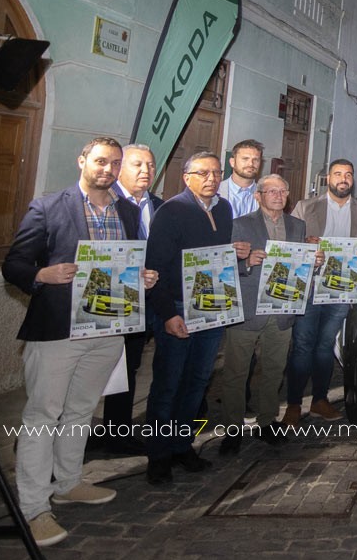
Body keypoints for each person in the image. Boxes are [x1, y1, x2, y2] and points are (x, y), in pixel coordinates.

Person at [3, 137, 157, 546]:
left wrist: (140, 278)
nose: (107, 168)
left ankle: (69, 483)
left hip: (108, 329)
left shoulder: (125, 209)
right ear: (83, 161)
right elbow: (14, 263)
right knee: (42, 415)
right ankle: (34, 508)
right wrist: (42, 275)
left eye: (114, 163)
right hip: (57, 330)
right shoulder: (49, 206)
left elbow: (127, 260)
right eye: (101, 161)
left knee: (81, 411)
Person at [144, 151, 235, 484]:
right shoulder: (172, 211)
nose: (211, 178)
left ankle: (182, 446)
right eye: (203, 173)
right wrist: (167, 313)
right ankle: (158, 455)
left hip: (211, 309)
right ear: (187, 177)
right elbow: (157, 266)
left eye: (215, 172)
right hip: (179, 308)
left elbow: (218, 257)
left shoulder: (224, 209)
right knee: (168, 384)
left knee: (197, 382)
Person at [220, 175, 315, 454]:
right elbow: (223, 268)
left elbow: (300, 266)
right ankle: (232, 428)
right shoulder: (240, 224)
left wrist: (313, 259)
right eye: (270, 191)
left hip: (282, 309)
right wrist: (246, 262)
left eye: (282, 190)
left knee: (274, 369)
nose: (277, 195)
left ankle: (266, 421)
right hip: (248, 309)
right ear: (258, 196)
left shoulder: (298, 226)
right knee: (236, 371)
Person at [284, 159, 357, 425]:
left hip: (342, 287)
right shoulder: (306, 207)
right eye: (338, 174)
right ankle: (293, 403)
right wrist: (304, 243)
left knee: (326, 345)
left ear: (353, 180)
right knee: (303, 344)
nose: (343, 179)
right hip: (311, 285)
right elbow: (288, 242)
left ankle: (319, 400)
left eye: (348, 174)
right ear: (328, 178)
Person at [90, 143, 163, 456]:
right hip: (107, 300)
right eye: (137, 165)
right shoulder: (107, 203)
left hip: (146, 302)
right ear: (120, 168)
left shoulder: (160, 205)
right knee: (97, 370)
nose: (145, 171)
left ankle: (117, 431)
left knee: (130, 367)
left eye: (150, 165)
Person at [217, 139, 264, 218]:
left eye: (256, 160)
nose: (250, 164)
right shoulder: (215, 192)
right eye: (245, 159)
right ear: (232, 162)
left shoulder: (266, 195)